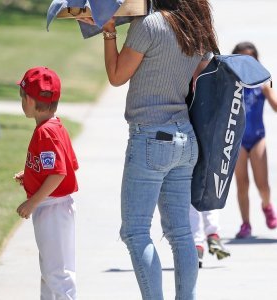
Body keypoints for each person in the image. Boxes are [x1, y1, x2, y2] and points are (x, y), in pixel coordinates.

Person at [81, 1, 218, 298]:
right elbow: (202, 78)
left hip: (151, 138)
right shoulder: (196, 27)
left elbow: (117, 77)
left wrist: (108, 33)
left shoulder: (149, 25)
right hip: (185, 138)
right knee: (181, 233)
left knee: (135, 231)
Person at [14, 66, 79, 299]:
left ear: (30, 101)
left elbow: (58, 174)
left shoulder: (45, 132)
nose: (22, 101)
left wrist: (31, 202)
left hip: (52, 209)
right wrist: (31, 174)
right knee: (50, 273)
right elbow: (65, 165)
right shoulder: (55, 126)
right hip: (54, 207)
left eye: (22, 97)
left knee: (58, 274)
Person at [232, 42, 277, 238]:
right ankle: (246, 223)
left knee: (262, 184)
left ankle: (267, 205)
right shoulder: (231, 84)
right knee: (242, 184)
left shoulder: (263, 84)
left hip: (257, 138)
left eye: (251, 59)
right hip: (237, 140)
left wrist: (268, 91)